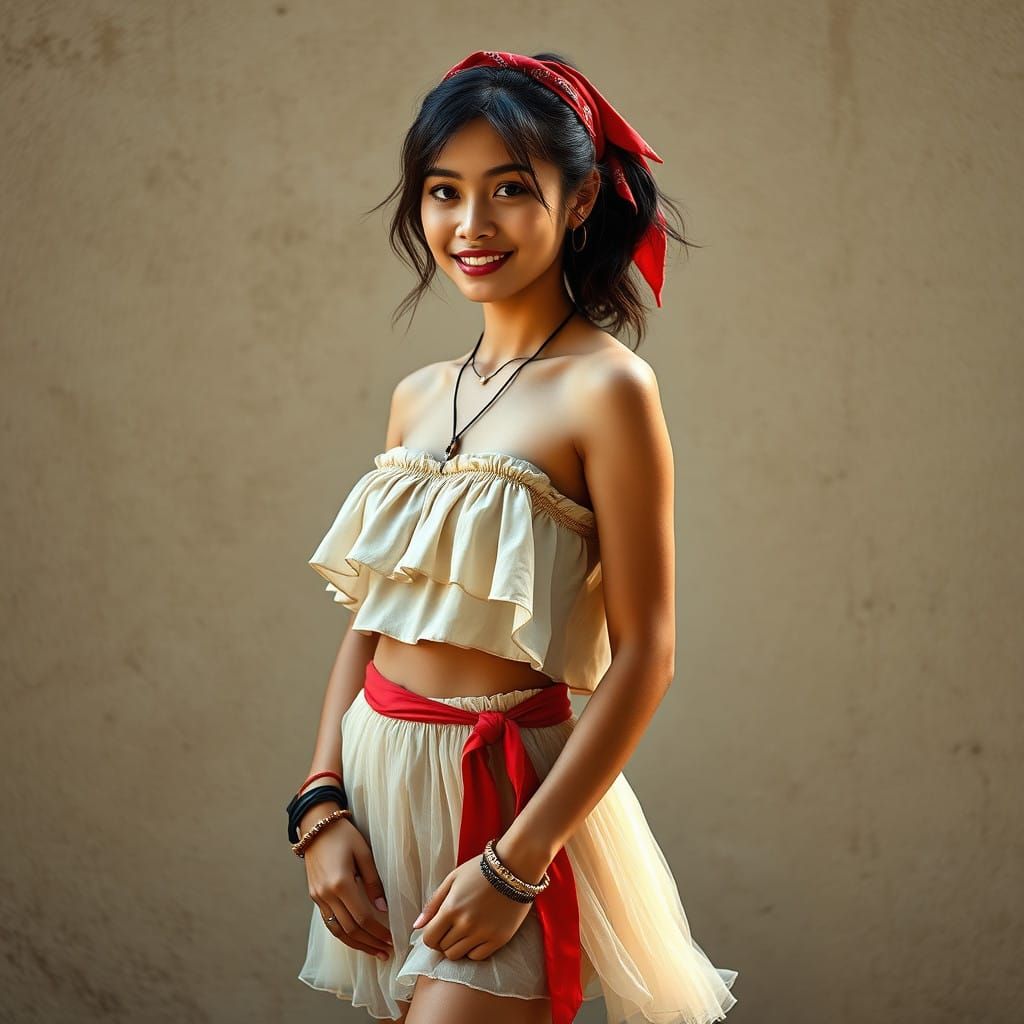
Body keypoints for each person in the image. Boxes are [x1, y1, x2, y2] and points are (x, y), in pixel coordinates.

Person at [288, 50, 739, 1024]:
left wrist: (515, 861)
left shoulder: (606, 388)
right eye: (444, 192)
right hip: (376, 793)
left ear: (577, 203)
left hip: (505, 805)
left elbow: (647, 654)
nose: (470, 225)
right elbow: (371, 618)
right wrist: (317, 803)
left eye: (508, 190)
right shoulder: (418, 395)